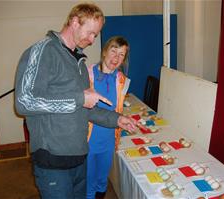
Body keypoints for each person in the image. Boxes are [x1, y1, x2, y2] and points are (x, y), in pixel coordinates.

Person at [14, 3, 137, 199]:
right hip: (52, 161)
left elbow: (85, 109)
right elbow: (24, 102)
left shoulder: (79, 62)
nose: (92, 40)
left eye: (95, 35)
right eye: (90, 33)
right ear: (74, 22)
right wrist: (80, 98)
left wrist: (116, 119)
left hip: (79, 158)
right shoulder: (42, 51)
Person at [86, 36, 130, 199]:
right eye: (114, 51)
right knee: (88, 183)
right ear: (104, 52)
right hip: (88, 140)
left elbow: (117, 109)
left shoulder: (122, 80)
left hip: (109, 140)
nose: (116, 58)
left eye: (121, 55)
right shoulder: (87, 75)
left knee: (102, 181)